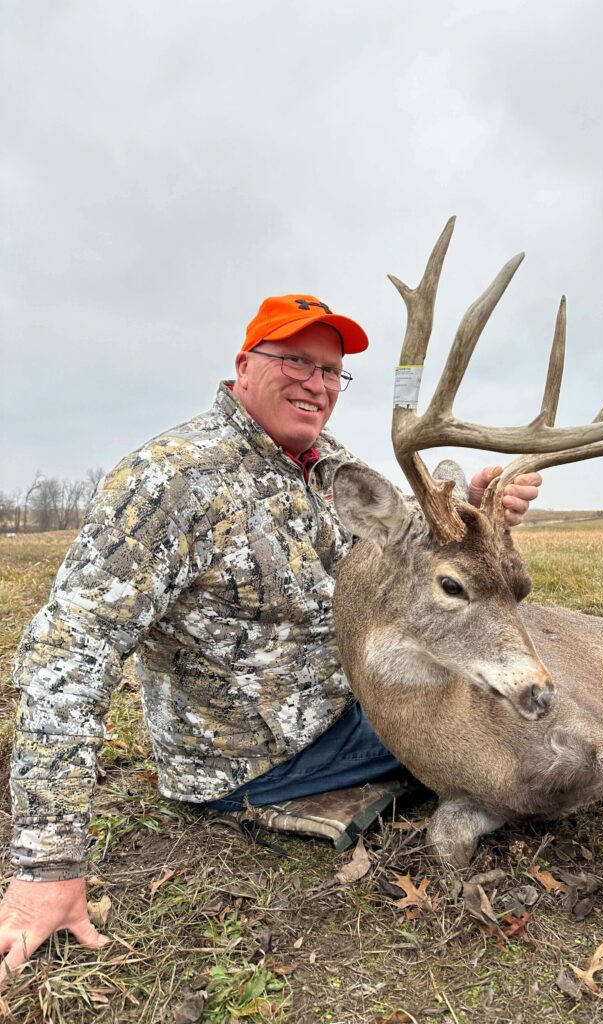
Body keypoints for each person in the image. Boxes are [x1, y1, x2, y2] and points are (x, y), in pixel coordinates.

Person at [0, 295, 541, 975]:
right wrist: (48, 864)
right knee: (523, 736)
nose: (316, 384)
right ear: (244, 364)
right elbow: (69, 650)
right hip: (257, 760)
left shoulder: (324, 463)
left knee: (504, 682)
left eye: (331, 372)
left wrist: (478, 508)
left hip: (349, 707)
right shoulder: (172, 479)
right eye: (296, 361)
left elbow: (409, 542)